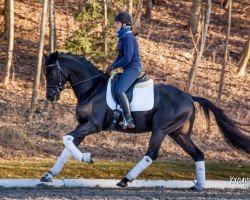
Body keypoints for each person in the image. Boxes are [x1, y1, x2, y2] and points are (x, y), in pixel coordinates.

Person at [105, 12, 142, 129]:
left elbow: (127, 58)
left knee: (120, 91)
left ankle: (128, 118)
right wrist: (111, 66)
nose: (115, 25)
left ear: (124, 24)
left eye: (117, 23)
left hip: (133, 68)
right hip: (128, 67)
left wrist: (114, 66)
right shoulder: (123, 36)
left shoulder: (128, 36)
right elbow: (121, 55)